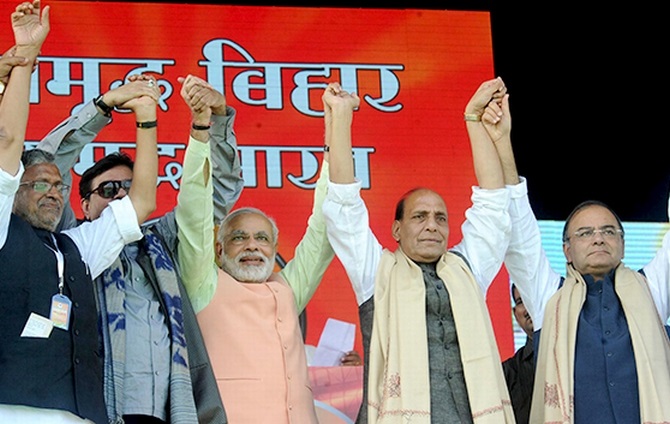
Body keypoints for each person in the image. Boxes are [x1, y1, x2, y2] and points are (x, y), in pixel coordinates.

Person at [35, 73, 242, 423]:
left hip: (165, 410)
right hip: (91, 409)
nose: (120, 196)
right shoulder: (69, 242)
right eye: (108, 189)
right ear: (83, 205)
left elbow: (217, 192)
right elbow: (46, 165)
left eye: (130, 188)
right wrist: (101, 108)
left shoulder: (164, 238)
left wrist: (218, 117)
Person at [321, 78, 516, 424]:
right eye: (420, 217)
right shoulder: (375, 273)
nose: (432, 225)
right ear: (397, 229)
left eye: (441, 218)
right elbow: (343, 205)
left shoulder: (466, 270)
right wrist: (341, 119)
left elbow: (493, 207)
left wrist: (475, 121)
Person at [0, 2, 157, 422]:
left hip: (78, 414)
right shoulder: (0, 226)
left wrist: (146, 120)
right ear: (15, 188)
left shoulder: (74, 248)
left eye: (59, 185)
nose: (53, 193)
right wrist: (25, 56)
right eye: (39, 184)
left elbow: (141, 203)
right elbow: (8, 140)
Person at [481, 78, 670, 422]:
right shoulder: (547, 297)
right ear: (566, 250)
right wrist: (501, 142)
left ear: (623, 245)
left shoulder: (651, 289)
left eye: (608, 231)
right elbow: (519, 227)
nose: (598, 238)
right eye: (585, 233)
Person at [194, 85, 338, 424]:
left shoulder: (288, 289)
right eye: (239, 238)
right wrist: (206, 128)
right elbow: (196, 212)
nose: (252, 246)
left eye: (262, 238)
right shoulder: (204, 284)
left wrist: (335, 131)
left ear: (274, 249)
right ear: (218, 250)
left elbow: (323, 227)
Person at [502, 283, 534, 424]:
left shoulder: (581, 354)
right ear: (516, 314)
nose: (527, 309)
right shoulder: (507, 373)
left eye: (532, 296)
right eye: (521, 302)